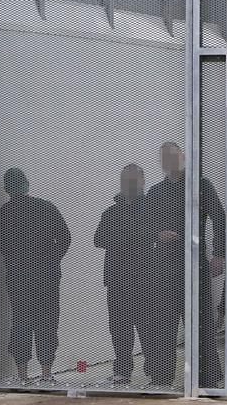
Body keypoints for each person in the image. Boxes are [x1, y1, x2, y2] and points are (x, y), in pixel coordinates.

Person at [141, 142, 225, 389]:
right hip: (165, 265)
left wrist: (218, 254)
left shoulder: (201, 185)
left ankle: (208, 376)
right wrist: (157, 235)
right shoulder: (155, 192)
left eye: (174, 155)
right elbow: (143, 226)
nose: (170, 160)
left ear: (184, 156)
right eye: (164, 157)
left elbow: (219, 219)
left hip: (195, 263)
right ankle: (161, 377)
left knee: (200, 320)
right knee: (163, 321)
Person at [0, 167, 70, 383]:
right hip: (47, 276)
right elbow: (65, 238)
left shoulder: (1, 215)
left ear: (7, 189)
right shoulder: (46, 208)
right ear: (27, 183)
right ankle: (46, 373)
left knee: (21, 322)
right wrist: (51, 260)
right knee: (47, 321)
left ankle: (22, 375)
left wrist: (17, 260)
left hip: (18, 277)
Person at [93, 164, 149, 385]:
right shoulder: (111, 212)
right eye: (126, 179)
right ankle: (122, 371)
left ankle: (155, 372)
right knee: (119, 327)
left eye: (134, 179)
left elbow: (155, 236)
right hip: (117, 280)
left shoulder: (153, 207)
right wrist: (130, 239)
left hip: (146, 279)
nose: (130, 183)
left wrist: (123, 239)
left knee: (148, 326)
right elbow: (98, 239)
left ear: (143, 181)